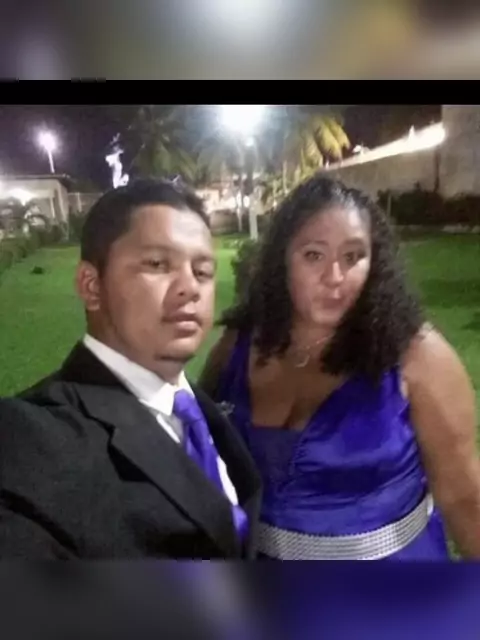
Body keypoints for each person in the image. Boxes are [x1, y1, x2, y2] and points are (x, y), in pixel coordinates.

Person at [200, 174, 480, 560]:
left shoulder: (418, 358)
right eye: (314, 255)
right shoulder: (238, 346)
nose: (335, 277)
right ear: (282, 259)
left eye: (353, 257)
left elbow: (464, 499)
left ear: (375, 262)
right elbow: (198, 462)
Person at [0, 178, 261, 559]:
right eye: (157, 264)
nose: (190, 287)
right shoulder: (33, 440)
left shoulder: (198, 409)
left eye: (202, 271)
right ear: (91, 286)